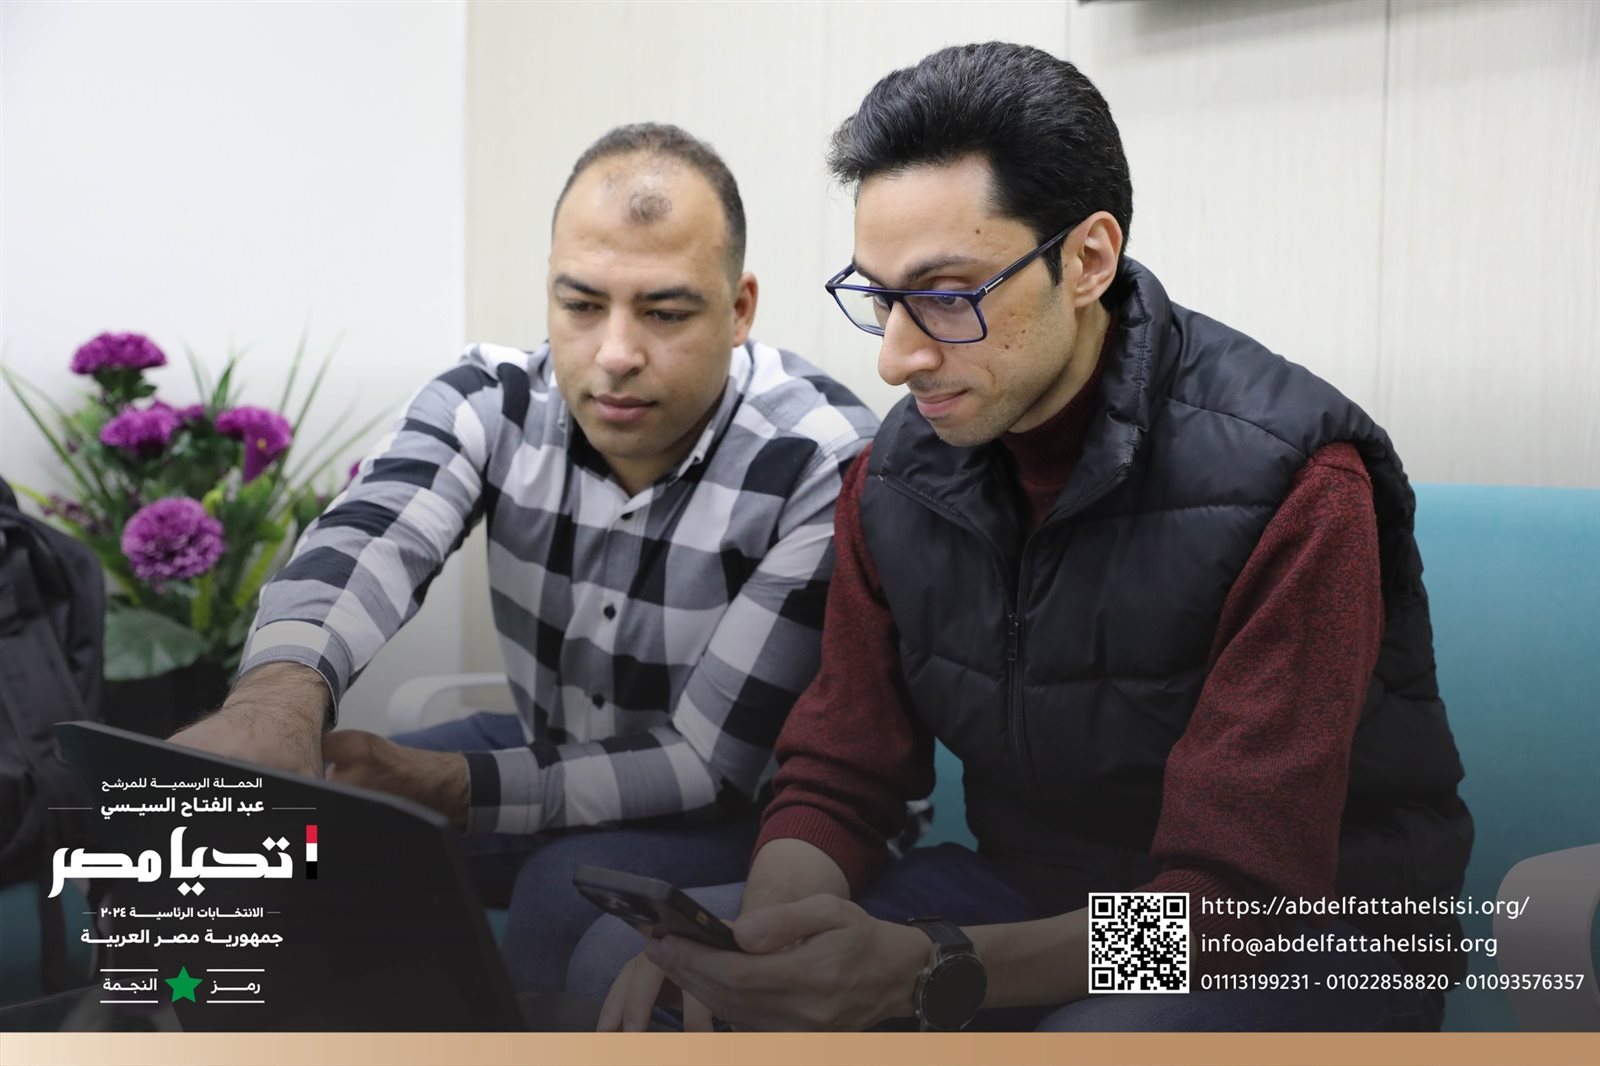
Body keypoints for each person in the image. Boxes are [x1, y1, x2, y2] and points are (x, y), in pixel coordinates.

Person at [577, 43, 1472, 1032]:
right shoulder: (897, 477)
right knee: (648, 969)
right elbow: (840, 772)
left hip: (1297, 937)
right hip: (1032, 892)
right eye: (880, 297)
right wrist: (766, 948)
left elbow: (1234, 908)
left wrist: (929, 966)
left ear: (1087, 261)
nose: (894, 359)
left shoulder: (1294, 483)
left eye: (946, 296)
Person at [170, 123, 878, 994]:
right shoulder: (491, 400)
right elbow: (369, 534)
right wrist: (277, 699)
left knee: (557, 894)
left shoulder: (819, 460)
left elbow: (706, 767)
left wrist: (452, 786)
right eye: (580, 305)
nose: (615, 354)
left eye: (665, 313)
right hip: (558, 742)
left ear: (739, 310)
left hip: (755, 808)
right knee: (314, 823)